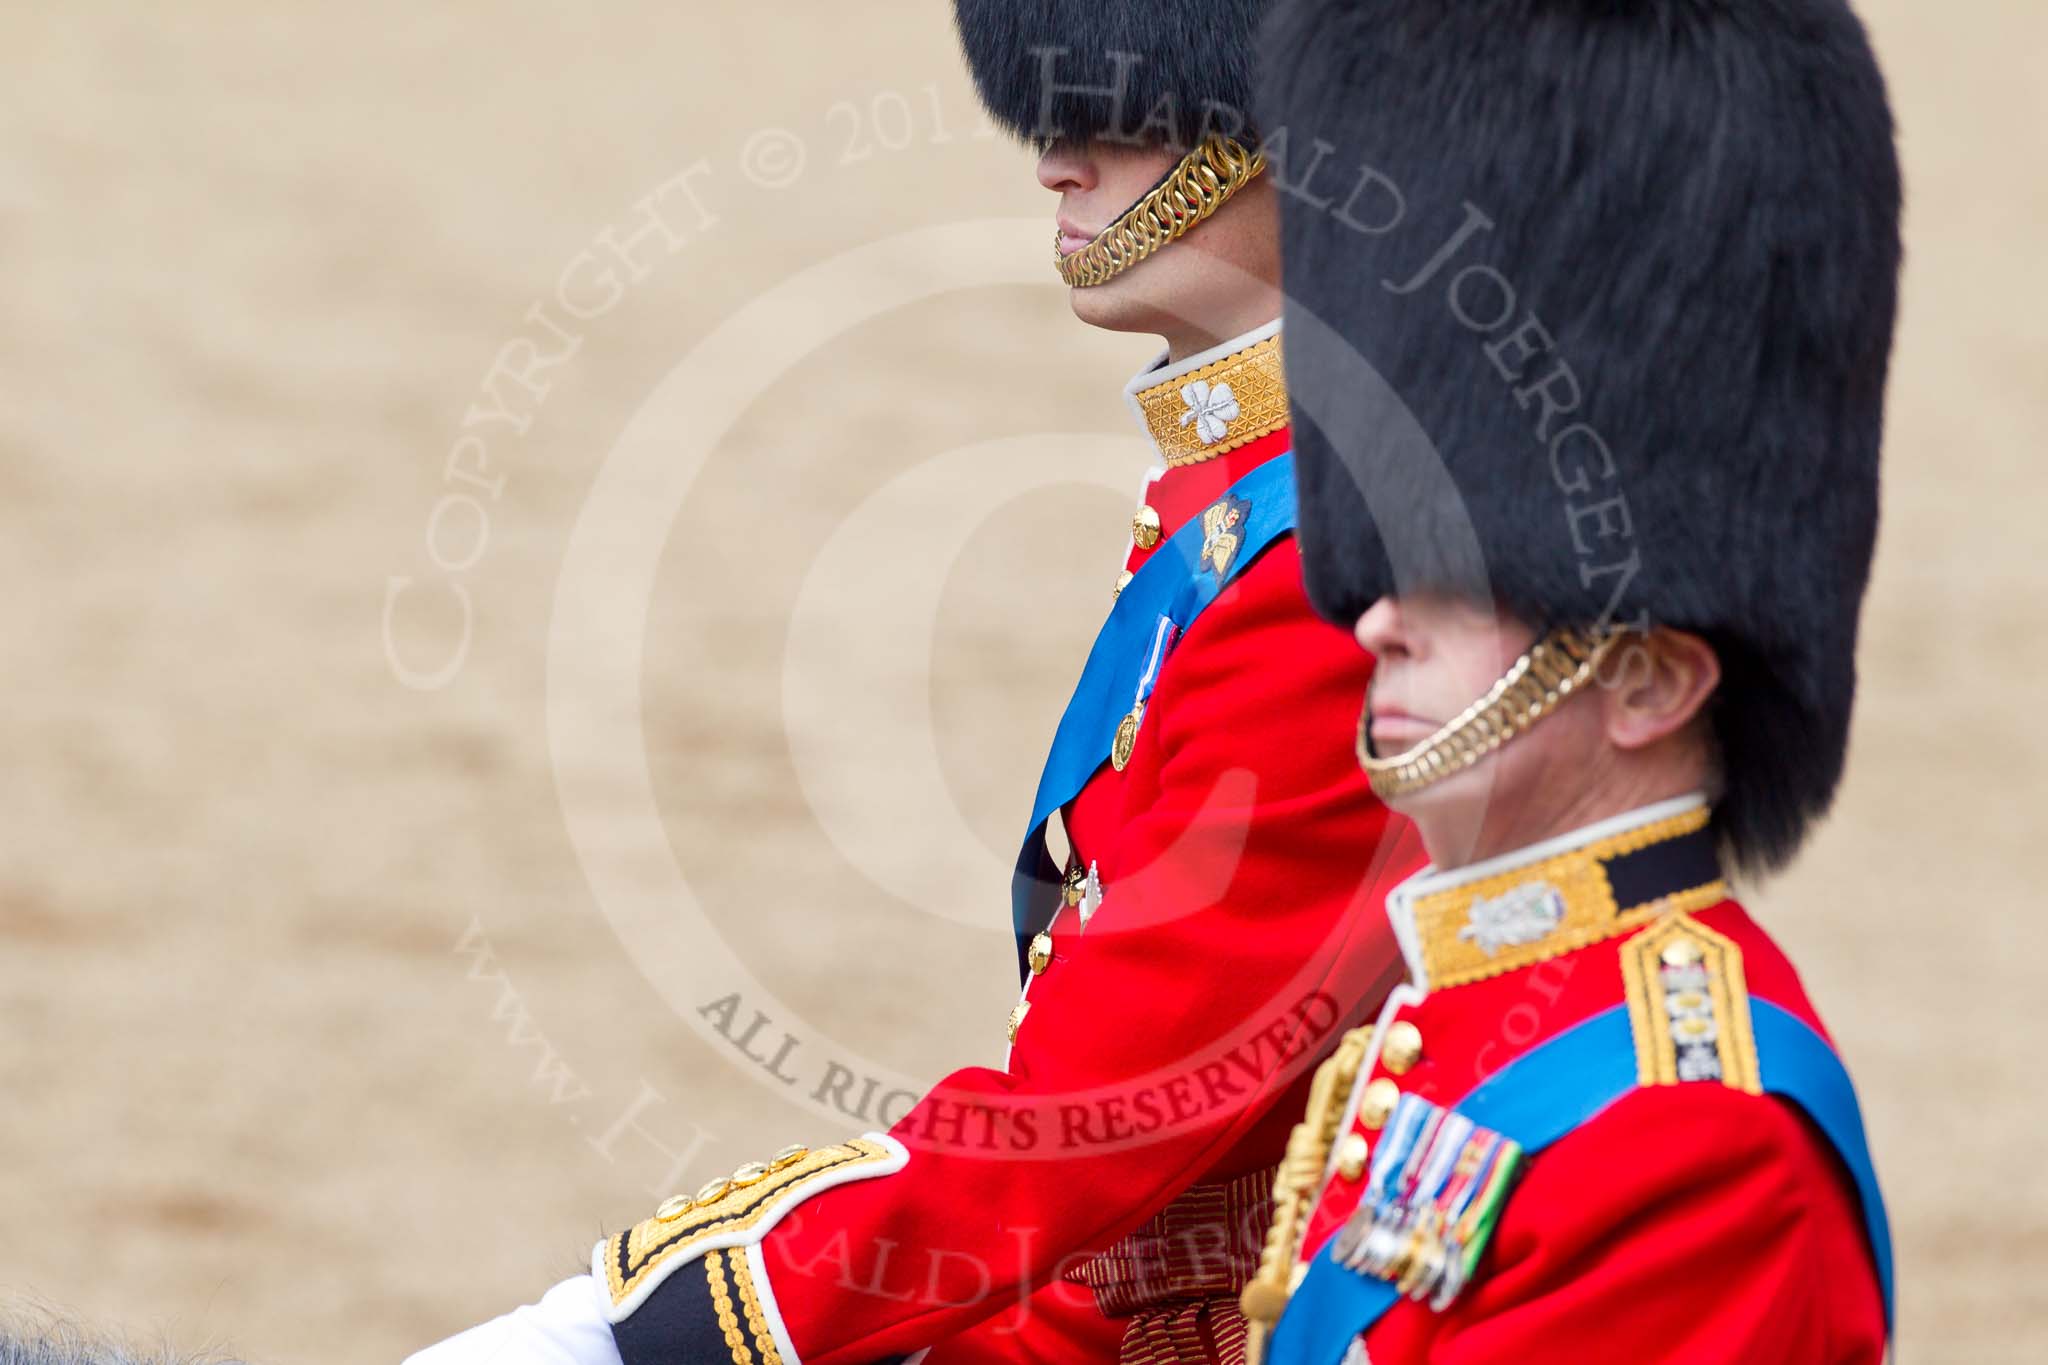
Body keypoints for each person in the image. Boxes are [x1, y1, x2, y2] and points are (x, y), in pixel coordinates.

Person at [403, 3, 1417, 1362]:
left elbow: (1099, 1121)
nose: (1059, 159)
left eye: (1131, 111)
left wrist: (641, 1331)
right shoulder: (1245, 498)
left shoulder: (1319, 559)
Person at [1233, 0, 1902, 1359]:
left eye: (1460, 581)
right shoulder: (1461, 1008)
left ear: (1649, 677)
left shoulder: (1698, 1145)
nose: (1373, 624)